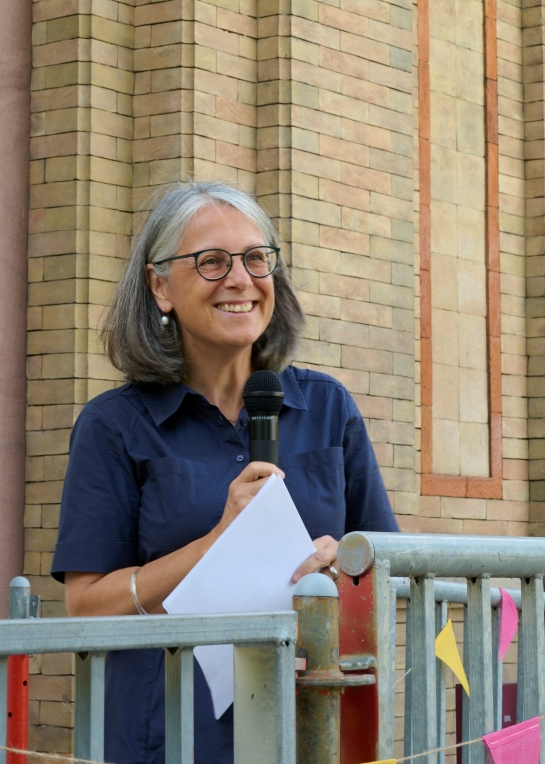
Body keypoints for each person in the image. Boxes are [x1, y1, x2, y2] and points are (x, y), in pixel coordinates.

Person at [51, 181, 398, 764]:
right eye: (212, 261)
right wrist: (215, 544)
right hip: (171, 737)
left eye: (256, 258)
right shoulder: (114, 425)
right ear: (160, 286)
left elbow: (389, 571)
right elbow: (86, 606)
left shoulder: (328, 407)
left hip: (308, 728)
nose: (241, 279)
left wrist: (344, 568)